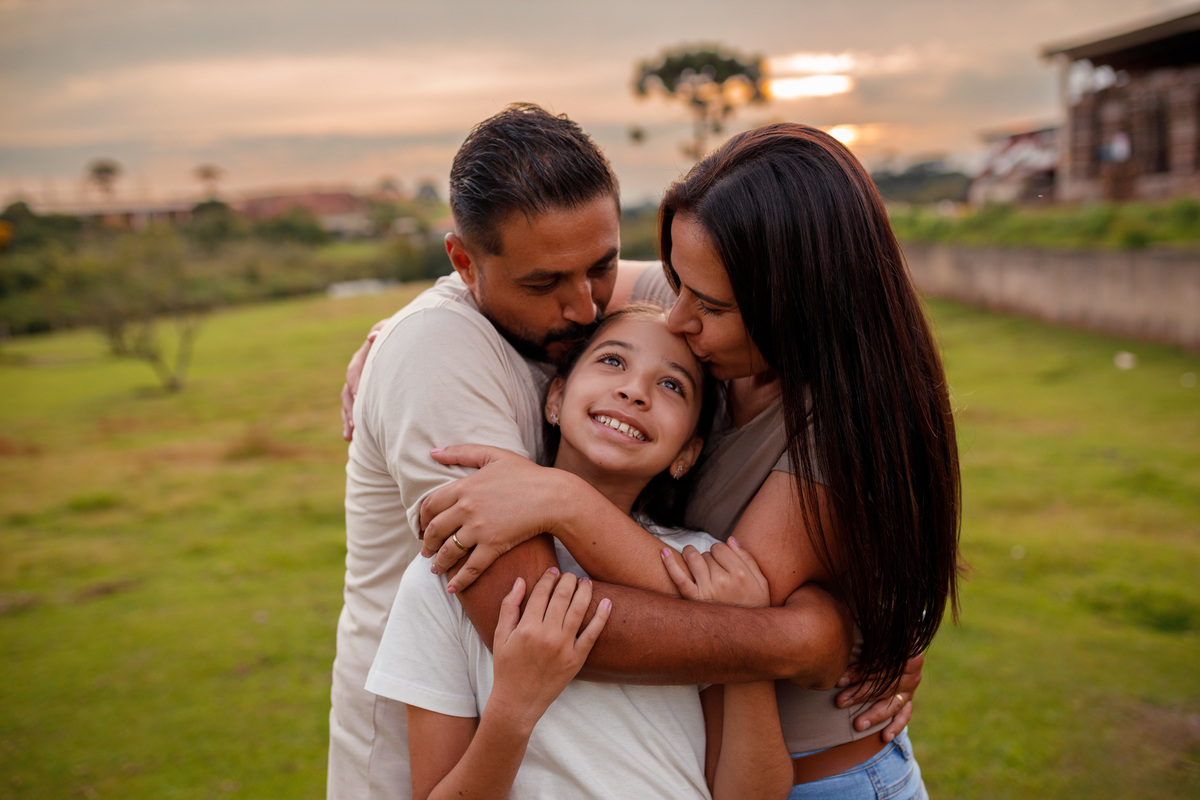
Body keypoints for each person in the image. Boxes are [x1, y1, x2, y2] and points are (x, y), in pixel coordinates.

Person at [331, 104, 917, 800]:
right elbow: (536, 619)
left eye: (604, 268)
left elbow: (722, 628)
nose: (585, 309)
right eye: (544, 284)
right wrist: (801, 639)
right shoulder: (459, 351)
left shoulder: (833, 412)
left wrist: (566, 499)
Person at [366, 305, 794, 799]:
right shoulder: (452, 573)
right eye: (613, 361)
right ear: (556, 397)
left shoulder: (707, 571)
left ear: (687, 455)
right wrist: (514, 707)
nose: (634, 391)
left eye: (672, 386)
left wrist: (746, 649)